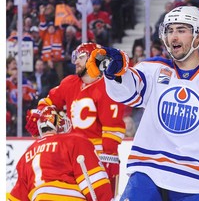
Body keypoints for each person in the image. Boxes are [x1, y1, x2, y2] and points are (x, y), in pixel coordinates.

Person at [86, 6, 199, 200]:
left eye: (181, 30)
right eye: (169, 30)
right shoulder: (153, 68)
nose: (173, 37)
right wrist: (115, 72)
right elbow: (128, 92)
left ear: (198, 36)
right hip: (148, 172)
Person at [25, 42, 126, 195]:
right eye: (75, 58)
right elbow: (48, 102)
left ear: (94, 59)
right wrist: (40, 114)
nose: (76, 62)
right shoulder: (69, 83)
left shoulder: (108, 86)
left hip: (97, 155)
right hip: (71, 155)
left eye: (81, 57)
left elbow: (112, 128)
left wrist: (109, 157)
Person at [8, 106, 113, 201]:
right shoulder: (74, 141)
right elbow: (95, 182)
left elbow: (17, 197)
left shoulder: (27, 154)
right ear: (57, 125)